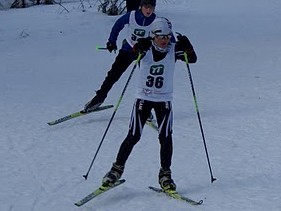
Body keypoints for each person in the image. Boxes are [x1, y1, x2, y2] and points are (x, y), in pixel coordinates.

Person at [101, 17, 197, 192]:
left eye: (168, 36)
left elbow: (192, 59)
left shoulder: (174, 50)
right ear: (153, 36)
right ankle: (116, 170)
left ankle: (165, 175)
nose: (165, 40)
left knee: (165, 137)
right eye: (161, 36)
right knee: (133, 136)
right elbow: (132, 53)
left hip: (163, 101)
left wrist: (188, 46)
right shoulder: (146, 49)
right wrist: (140, 45)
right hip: (143, 99)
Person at [84, 0, 157, 112]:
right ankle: (99, 98)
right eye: (146, 7)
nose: (148, 10)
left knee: (147, 79)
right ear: (141, 6)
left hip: (144, 53)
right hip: (128, 49)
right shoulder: (131, 16)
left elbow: (166, 35)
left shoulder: (156, 21)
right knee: (113, 74)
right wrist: (111, 41)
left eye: (151, 7)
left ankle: (146, 108)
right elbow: (117, 25)